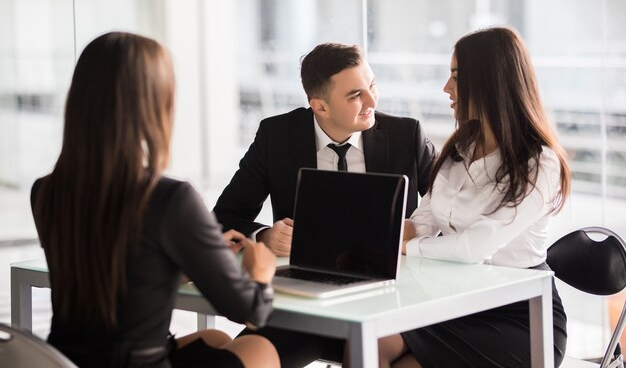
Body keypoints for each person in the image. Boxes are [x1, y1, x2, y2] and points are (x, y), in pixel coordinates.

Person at [30, 32, 280, 368]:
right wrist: (261, 272)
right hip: (138, 362)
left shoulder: (46, 191)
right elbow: (250, 311)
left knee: (216, 340)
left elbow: (117, 273)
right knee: (262, 349)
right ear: (153, 104)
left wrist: (191, 258)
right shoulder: (170, 198)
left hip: (67, 361)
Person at [214, 42, 437, 367]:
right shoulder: (277, 136)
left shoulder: (406, 135)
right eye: (355, 95)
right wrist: (264, 236)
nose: (372, 101)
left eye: (372, 85)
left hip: (394, 298)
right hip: (307, 302)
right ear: (319, 106)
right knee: (240, 361)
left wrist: (416, 235)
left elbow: (450, 214)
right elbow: (224, 217)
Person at [376, 26, 570, 368]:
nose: (446, 88)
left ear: (490, 82)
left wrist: (409, 245)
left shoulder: (540, 164)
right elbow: (419, 223)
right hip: (456, 300)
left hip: (521, 315)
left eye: (456, 76)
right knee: (371, 344)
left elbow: (474, 248)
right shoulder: (458, 150)